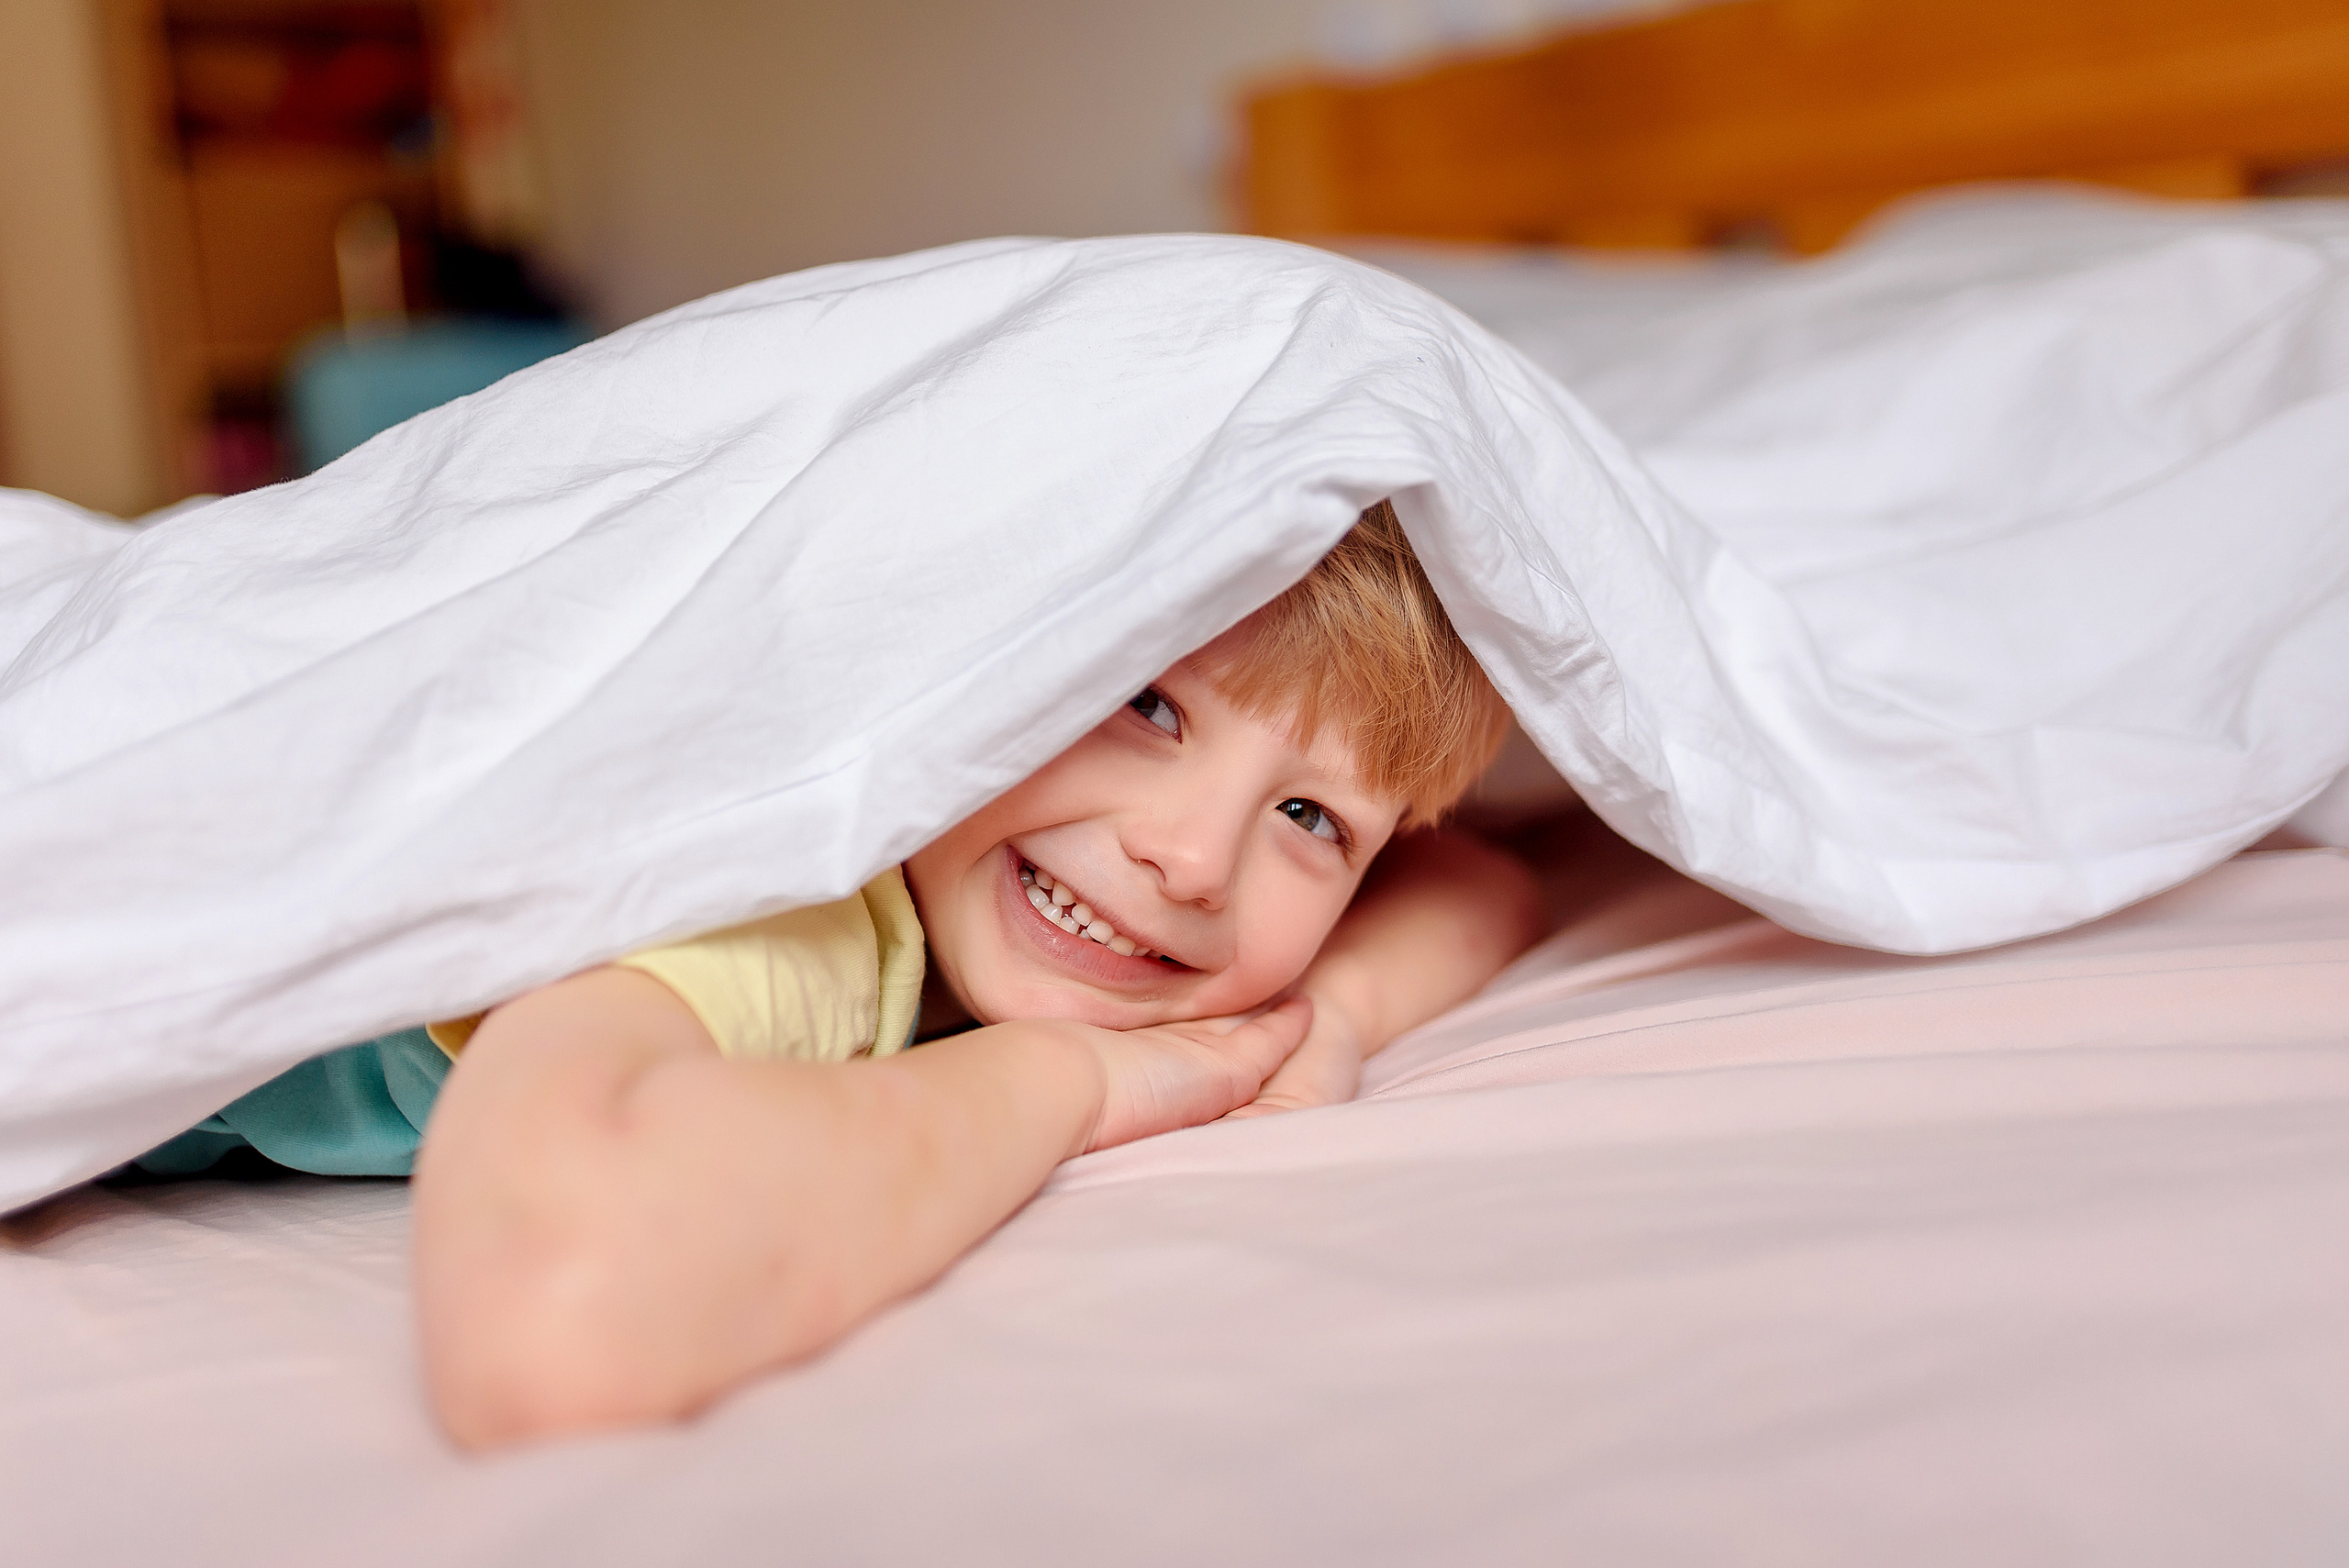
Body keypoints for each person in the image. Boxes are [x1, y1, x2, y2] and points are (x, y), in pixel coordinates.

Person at [147, 499, 1545, 1447]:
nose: (1191, 858)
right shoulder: (804, 894)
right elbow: (552, 1306)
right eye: (1148, 701)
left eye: (1310, 819)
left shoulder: (1015, 877)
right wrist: (1072, 1075)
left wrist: (1319, 1020)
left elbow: (1485, 877)